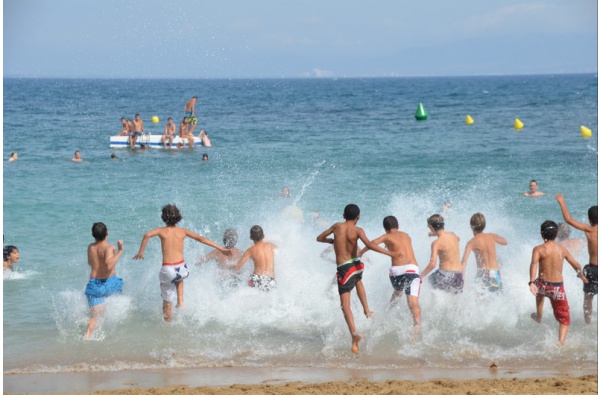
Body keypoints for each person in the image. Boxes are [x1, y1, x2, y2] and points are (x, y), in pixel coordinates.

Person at [316, 204, 400, 355]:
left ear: (343, 216)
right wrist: (391, 254)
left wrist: (331, 241)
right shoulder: (358, 230)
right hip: (356, 265)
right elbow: (369, 245)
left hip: (344, 267)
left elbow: (319, 238)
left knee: (345, 306)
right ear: (358, 217)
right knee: (358, 280)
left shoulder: (336, 226)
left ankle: (354, 334)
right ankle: (367, 310)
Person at [132, 204, 231, 322]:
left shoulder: (161, 231)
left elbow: (147, 235)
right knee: (179, 277)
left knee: (167, 302)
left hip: (168, 269)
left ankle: (168, 323)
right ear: (178, 217)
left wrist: (141, 253)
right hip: (182, 268)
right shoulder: (183, 231)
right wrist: (221, 248)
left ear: (163, 217)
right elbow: (201, 239)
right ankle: (180, 300)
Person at [360, 215, 422, 342]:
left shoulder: (386, 236)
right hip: (412, 269)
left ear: (384, 228)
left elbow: (371, 244)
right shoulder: (406, 235)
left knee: (398, 292)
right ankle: (416, 328)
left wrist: (361, 253)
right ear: (398, 226)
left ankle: (385, 314)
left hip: (397, 271)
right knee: (413, 302)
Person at [529, 220, 588, 346]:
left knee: (540, 292)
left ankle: (539, 316)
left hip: (542, 285)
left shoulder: (538, 249)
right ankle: (560, 344)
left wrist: (532, 282)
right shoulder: (562, 249)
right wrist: (581, 276)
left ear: (542, 234)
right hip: (557, 289)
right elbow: (575, 264)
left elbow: (533, 264)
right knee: (565, 320)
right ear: (556, 235)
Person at [556, 194, 598, 324]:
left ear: (589, 219)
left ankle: (588, 324)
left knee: (588, 300)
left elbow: (568, 219)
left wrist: (562, 201)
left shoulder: (589, 230)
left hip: (593, 269)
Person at [84, 222, 124, 339]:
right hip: (109, 283)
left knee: (94, 316)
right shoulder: (109, 247)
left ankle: (87, 336)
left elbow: (90, 263)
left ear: (93, 235)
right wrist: (120, 251)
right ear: (107, 233)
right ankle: (113, 332)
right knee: (118, 303)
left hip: (94, 285)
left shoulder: (90, 247)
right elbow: (108, 265)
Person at [461, 213, 508, 292]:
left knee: (480, 301)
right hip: (495, 273)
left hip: (483, 273)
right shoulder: (492, 236)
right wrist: (495, 236)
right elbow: (505, 242)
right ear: (484, 225)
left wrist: (462, 281)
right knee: (497, 299)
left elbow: (464, 263)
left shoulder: (471, 243)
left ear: (471, 227)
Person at [421, 214, 463, 293]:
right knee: (454, 299)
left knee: (430, 280)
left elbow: (432, 264)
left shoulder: (436, 243)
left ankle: (435, 304)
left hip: (446, 275)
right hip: (459, 275)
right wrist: (435, 234)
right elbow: (458, 239)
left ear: (431, 227)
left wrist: (421, 276)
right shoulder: (453, 235)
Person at [233, 225, 277, 292]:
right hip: (270, 280)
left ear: (250, 238)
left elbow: (237, 267)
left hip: (257, 279)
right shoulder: (271, 246)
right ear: (263, 235)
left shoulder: (250, 250)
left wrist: (230, 265)